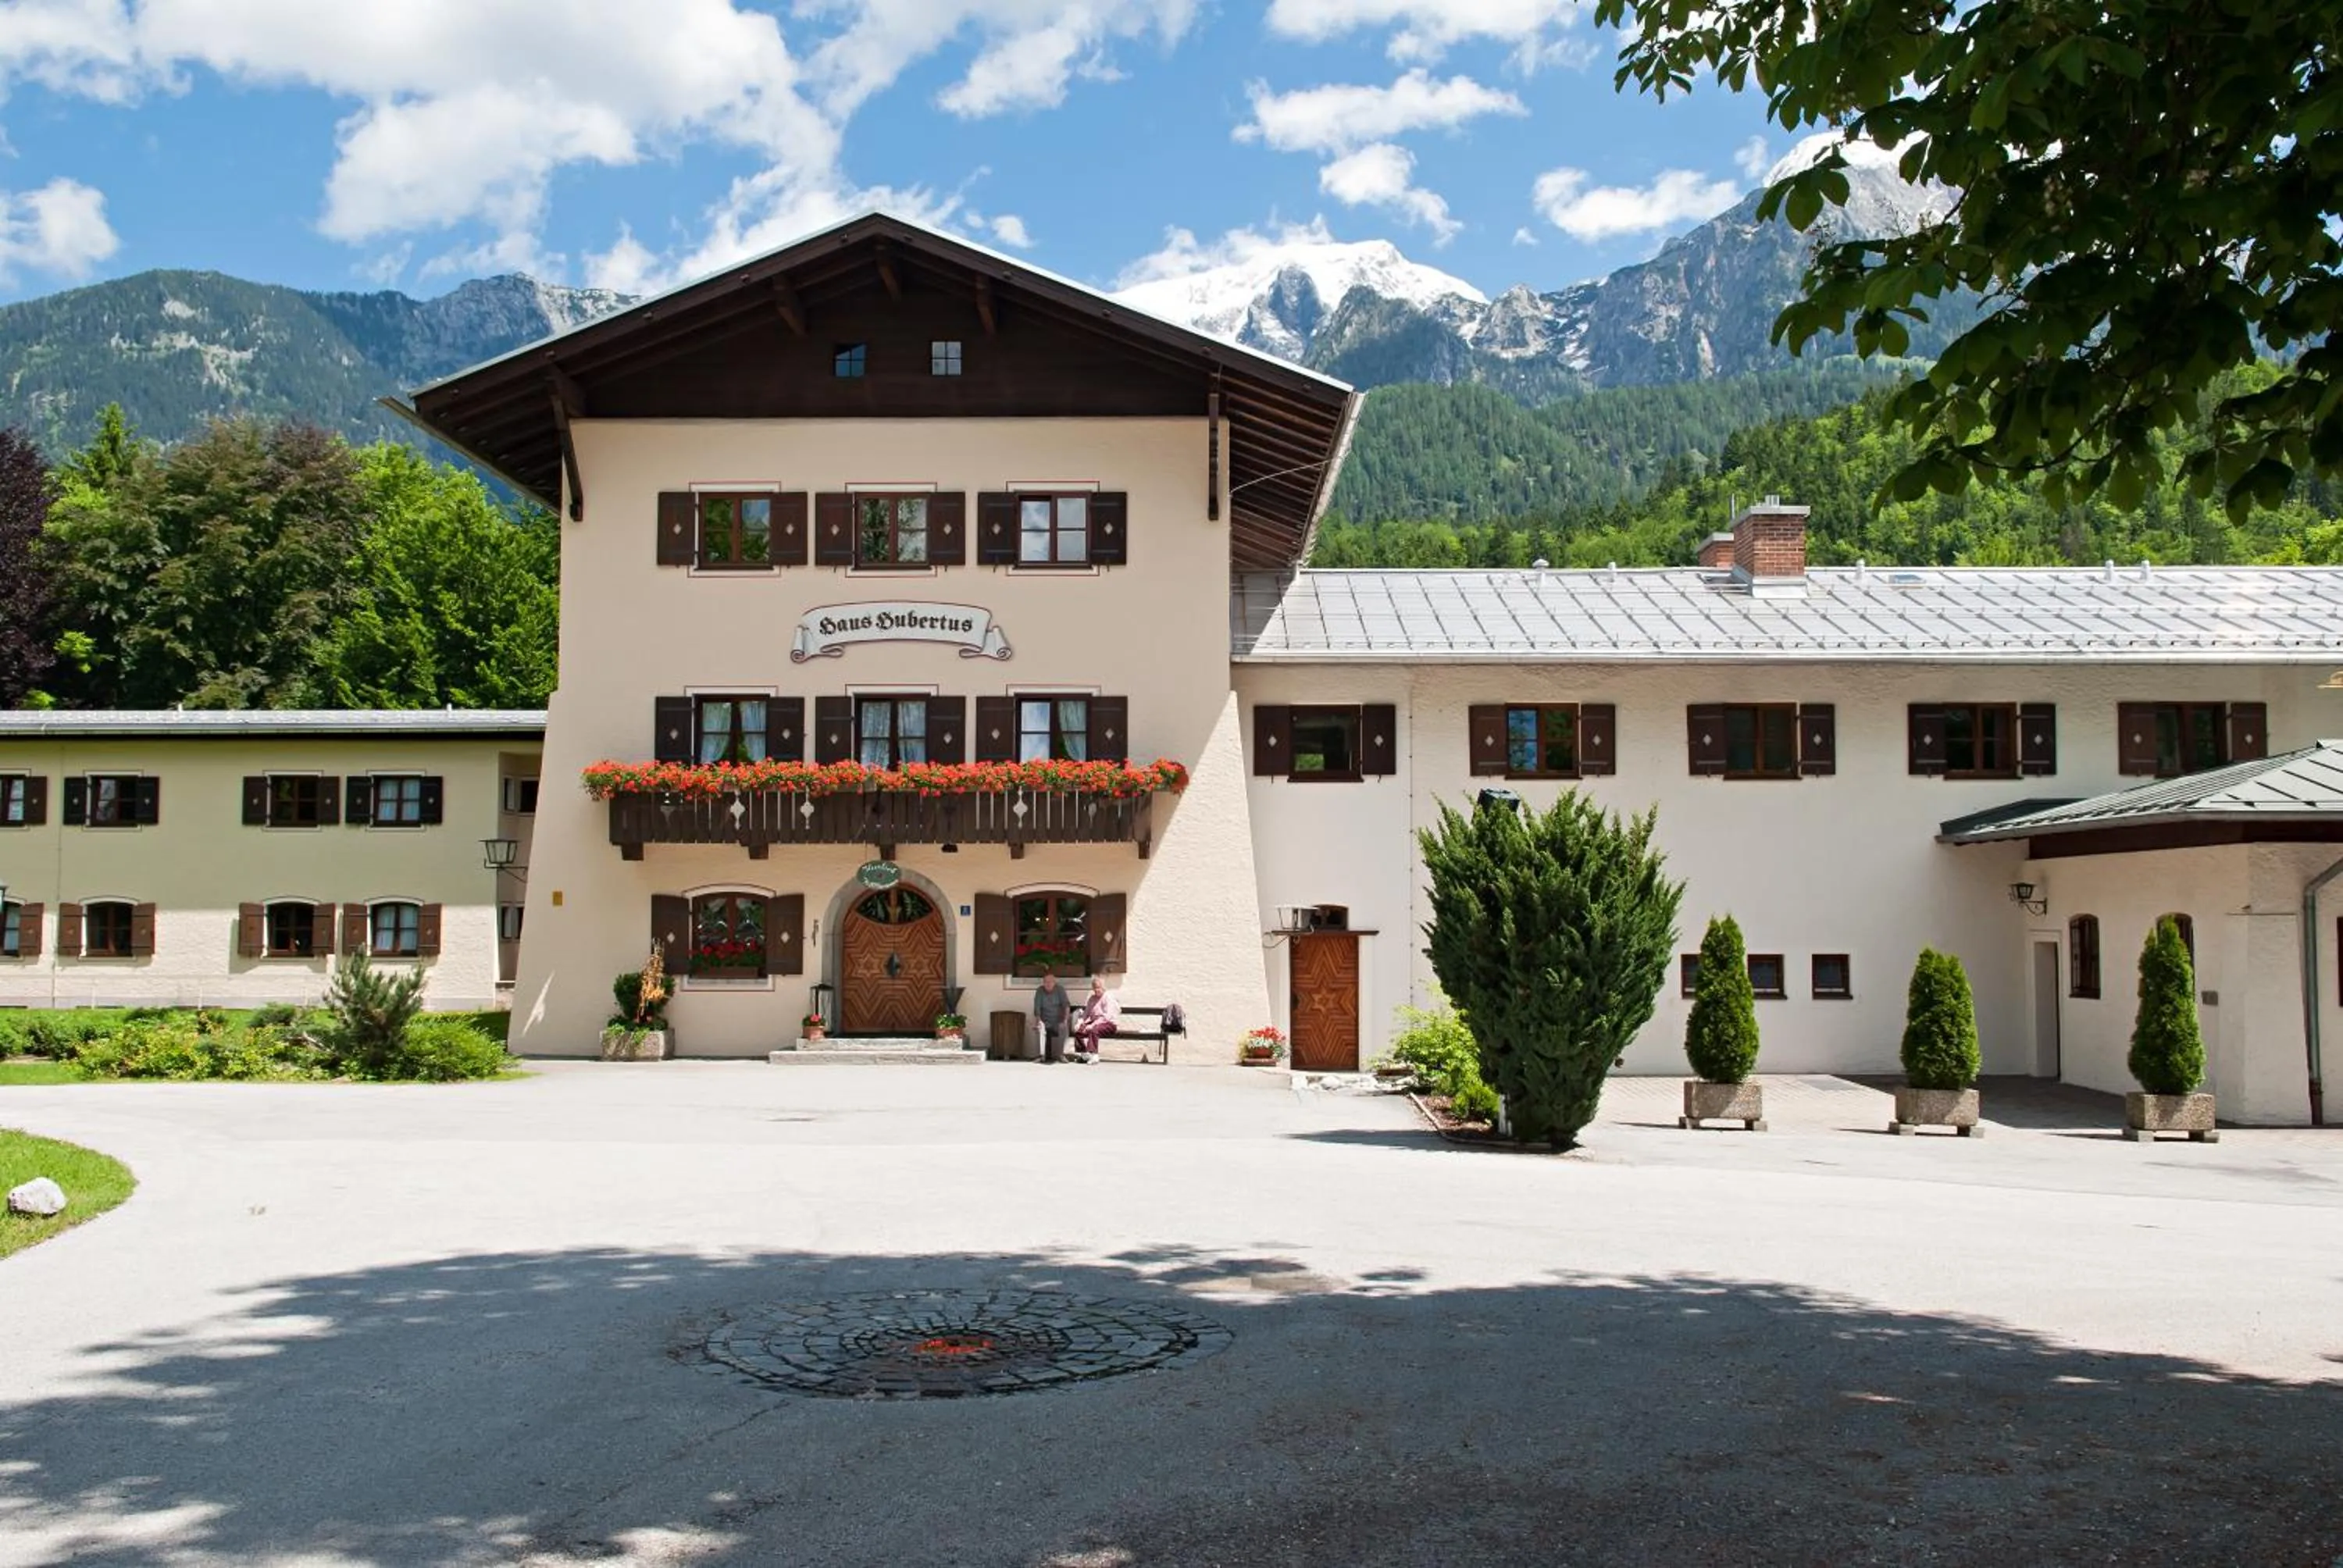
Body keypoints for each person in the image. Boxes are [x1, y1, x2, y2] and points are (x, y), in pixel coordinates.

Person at [1071, 976, 1119, 1064]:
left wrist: (1092, 1025)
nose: (1097, 990)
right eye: (1095, 988)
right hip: (1095, 1022)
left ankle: (1094, 1055)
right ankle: (1084, 1055)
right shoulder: (1092, 999)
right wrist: (1079, 1023)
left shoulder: (1108, 997)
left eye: (1099, 987)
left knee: (1094, 1030)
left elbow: (1107, 1017)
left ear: (1103, 987)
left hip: (1109, 1024)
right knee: (1078, 1031)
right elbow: (1086, 1013)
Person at [1032, 971, 1071, 1064]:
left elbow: (1066, 1006)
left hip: (1058, 1020)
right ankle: (1042, 1056)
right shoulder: (1039, 991)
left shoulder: (1060, 990)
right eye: (1046, 982)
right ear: (1043, 983)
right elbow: (1037, 1009)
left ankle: (1061, 1055)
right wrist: (1038, 1022)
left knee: (1064, 1028)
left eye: (1050, 982)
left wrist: (1065, 1020)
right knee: (1040, 1028)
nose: (1048, 984)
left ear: (1054, 982)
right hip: (1045, 1020)